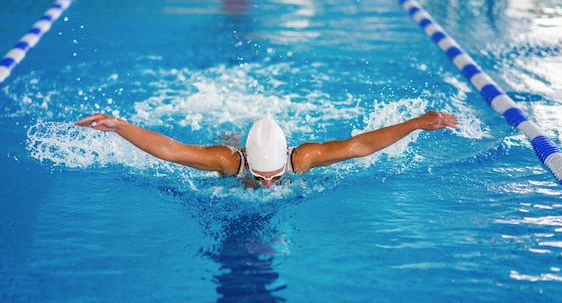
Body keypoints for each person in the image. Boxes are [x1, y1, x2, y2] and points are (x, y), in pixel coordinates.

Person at [75, 111, 458, 189]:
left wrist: (414, 124)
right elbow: (172, 151)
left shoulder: (301, 158)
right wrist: (122, 127)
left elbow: (359, 147)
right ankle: (229, 128)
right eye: (261, 178)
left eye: (275, 177)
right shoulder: (228, 162)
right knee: (221, 140)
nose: (270, 186)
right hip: (231, 146)